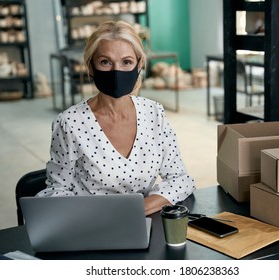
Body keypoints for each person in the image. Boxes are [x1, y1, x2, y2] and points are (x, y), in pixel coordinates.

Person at [37, 20, 195, 215]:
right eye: (105, 62)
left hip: (142, 224)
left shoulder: (154, 114)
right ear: (91, 67)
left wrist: (139, 209)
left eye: (126, 62)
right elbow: (56, 192)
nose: (116, 71)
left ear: (139, 65)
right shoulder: (70, 123)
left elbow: (180, 179)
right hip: (91, 227)